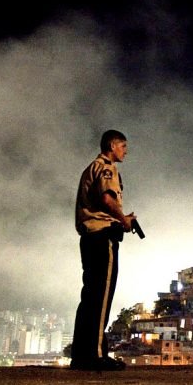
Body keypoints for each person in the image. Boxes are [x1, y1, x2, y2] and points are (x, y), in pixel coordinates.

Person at [70, 129, 137, 371]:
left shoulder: (92, 168)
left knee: (89, 297)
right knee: (101, 297)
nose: (126, 151)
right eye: (123, 146)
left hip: (89, 236)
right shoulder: (107, 167)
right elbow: (108, 200)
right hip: (102, 237)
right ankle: (96, 355)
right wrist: (124, 219)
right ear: (112, 145)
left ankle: (80, 355)